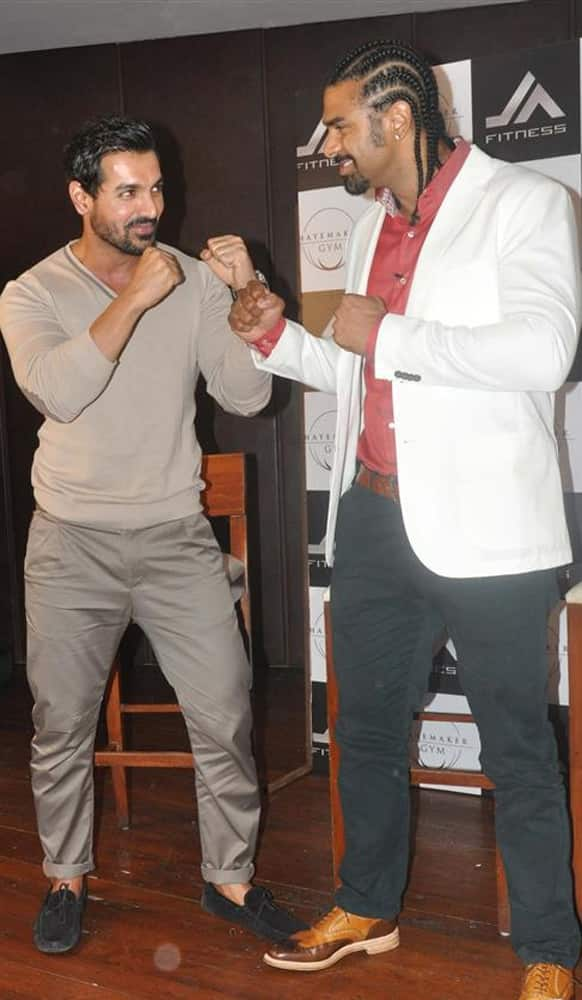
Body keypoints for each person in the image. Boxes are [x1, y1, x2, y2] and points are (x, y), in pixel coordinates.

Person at [223, 39, 582, 1000]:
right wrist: (275, 336)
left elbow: (544, 349)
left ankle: (551, 946)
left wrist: (386, 331)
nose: (329, 141)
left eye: (340, 123)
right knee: (368, 733)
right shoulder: (373, 227)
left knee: (518, 745)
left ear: (396, 117)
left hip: (491, 534)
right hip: (377, 519)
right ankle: (366, 906)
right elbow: (359, 365)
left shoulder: (527, 204)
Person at [0, 114, 306, 956]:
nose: (148, 208)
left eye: (157, 188)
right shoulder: (29, 294)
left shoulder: (192, 283)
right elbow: (59, 391)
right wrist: (135, 299)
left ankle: (230, 880)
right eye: (127, 191)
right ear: (81, 197)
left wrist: (248, 315)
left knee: (225, 713)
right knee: (62, 726)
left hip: (175, 536)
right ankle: (66, 877)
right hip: (71, 544)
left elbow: (246, 399)